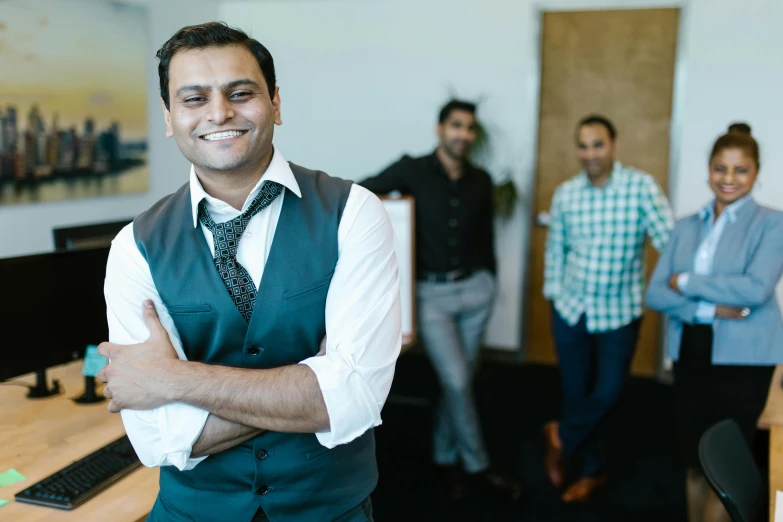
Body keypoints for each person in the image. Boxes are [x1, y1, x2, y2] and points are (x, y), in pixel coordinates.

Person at [97, 22, 401, 522]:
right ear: (170, 117)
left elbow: (355, 397)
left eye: (241, 93)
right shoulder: (134, 247)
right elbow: (155, 439)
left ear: (275, 104)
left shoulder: (354, 212)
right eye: (194, 99)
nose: (219, 113)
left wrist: (172, 379)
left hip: (329, 510)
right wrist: (309, 387)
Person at [359, 100, 522, 502]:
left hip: (475, 292)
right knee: (458, 380)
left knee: (458, 383)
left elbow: (486, 238)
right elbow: (360, 193)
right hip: (431, 296)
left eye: (469, 128)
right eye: (456, 126)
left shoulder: (481, 181)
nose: (463, 135)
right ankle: (479, 466)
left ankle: (444, 457)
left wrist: (490, 279)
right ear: (440, 128)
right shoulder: (412, 169)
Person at [646, 123, 783, 522]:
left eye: (741, 170)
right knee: (693, 459)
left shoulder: (772, 224)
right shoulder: (686, 225)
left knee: (727, 464)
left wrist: (686, 283)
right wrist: (709, 308)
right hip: (692, 350)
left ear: (756, 173)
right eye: (720, 168)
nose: (729, 178)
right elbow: (656, 293)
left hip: (744, 362)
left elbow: (755, 290)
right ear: (708, 170)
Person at [542, 114, 675, 502]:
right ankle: (591, 470)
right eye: (583, 146)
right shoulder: (567, 193)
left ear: (614, 145)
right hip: (571, 309)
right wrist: (553, 293)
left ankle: (560, 436)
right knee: (576, 393)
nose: (590, 154)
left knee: (610, 391)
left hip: (619, 312)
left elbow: (669, 242)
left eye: (597, 145)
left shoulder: (640, 187)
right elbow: (557, 249)